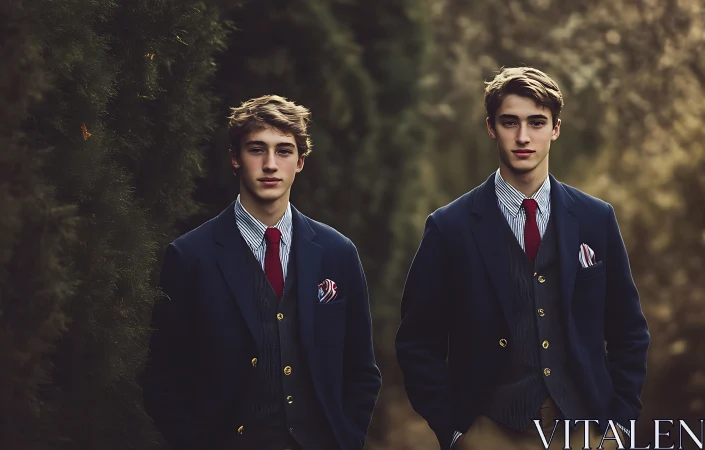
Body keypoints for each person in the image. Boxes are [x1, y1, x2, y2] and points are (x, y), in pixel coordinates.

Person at [395, 67, 649, 450]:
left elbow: (628, 331)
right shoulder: (450, 227)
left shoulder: (596, 219)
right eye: (510, 122)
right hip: (489, 432)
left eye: (537, 122)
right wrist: (454, 431)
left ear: (556, 129)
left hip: (585, 431)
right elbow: (417, 341)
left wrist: (620, 425)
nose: (523, 137)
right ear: (491, 128)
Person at [142, 95, 381, 450]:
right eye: (257, 149)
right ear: (235, 158)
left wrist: (347, 439)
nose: (270, 164)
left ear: (300, 162)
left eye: (284, 151)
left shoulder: (338, 253)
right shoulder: (190, 256)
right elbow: (163, 377)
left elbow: (361, 370)